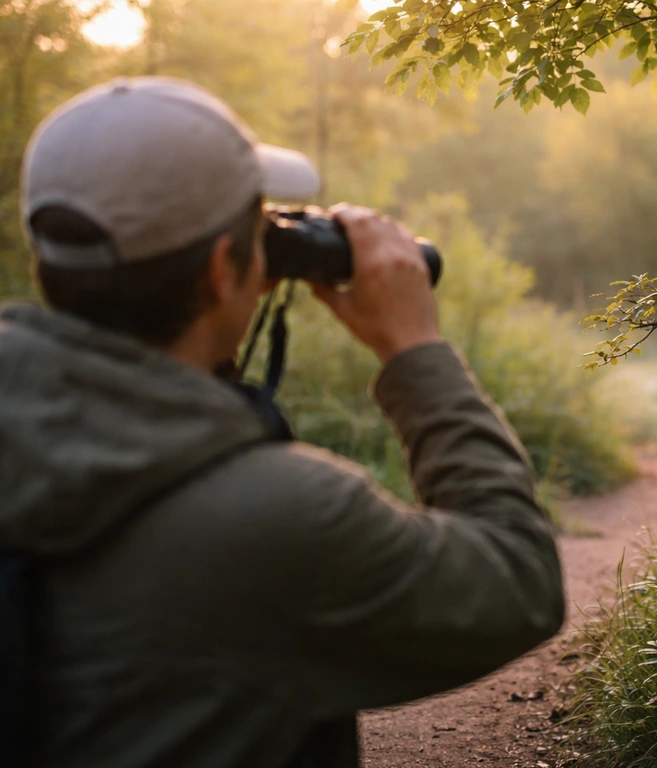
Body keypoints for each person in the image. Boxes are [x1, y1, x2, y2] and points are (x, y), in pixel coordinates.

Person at [0, 77, 565, 767]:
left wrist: (211, 333)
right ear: (219, 269)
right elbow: (517, 580)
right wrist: (414, 349)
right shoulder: (284, 519)